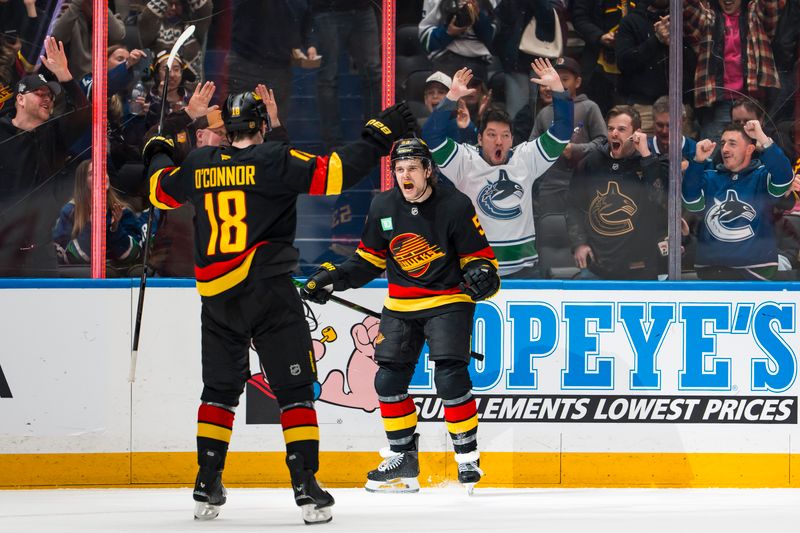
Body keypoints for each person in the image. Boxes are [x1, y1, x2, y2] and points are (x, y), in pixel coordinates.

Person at [144, 82, 415, 523]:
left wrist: (162, 140)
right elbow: (337, 173)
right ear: (263, 124)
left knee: (219, 391)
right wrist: (377, 135)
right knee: (293, 393)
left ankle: (205, 482)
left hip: (217, 299)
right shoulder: (275, 159)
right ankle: (305, 487)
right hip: (269, 292)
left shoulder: (198, 163)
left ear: (227, 129)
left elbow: (157, 188)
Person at [300, 137, 500, 494]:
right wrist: (332, 278)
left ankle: (467, 457)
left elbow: (480, 258)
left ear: (428, 170)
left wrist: (483, 274)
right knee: (387, 382)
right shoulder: (383, 206)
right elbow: (367, 261)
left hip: (447, 300)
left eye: (412, 168)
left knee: (450, 377)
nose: (405, 175)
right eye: (399, 169)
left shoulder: (454, 205)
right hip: (401, 305)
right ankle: (403, 458)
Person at [423, 59, 574, 278]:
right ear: (479, 138)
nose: (499, 142)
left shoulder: (526, 158)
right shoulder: (464, 161)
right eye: (492, 135)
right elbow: (432, 136)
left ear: (512, 139)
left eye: (505, 136)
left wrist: (559, 90)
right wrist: (451, 98)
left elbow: (562, 131)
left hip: (524, 271)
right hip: (475, 269)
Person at [566, 105, 668, 279]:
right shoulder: (591, 163)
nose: (614, 134)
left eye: (621, 129)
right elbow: (574, 206)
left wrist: (645, 154)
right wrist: (579, 243)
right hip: (597, 267)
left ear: (636, 133)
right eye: (611, 128)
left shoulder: (652, 163)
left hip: (639, 268)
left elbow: (658, 199)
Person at [682, 120, 794, 280]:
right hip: (711, 270)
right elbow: (690, 201)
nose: (725, 149)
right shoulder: (710, 177)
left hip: (754, 271)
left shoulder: (761, 177)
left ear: (749, 149)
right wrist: (698, 162)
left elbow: (784, 178)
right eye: (723, 143)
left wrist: (762, 138)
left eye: (732, 144)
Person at [52, 159, 146, 271]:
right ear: (83, 182)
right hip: (84, 281)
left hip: (119, 279)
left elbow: (135, 256)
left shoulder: (123, 211)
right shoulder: (70, 212)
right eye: (92, 174)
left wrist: (115, 228)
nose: (101, 177)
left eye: (103, 172)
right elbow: (66, 258)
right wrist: (90, 227)